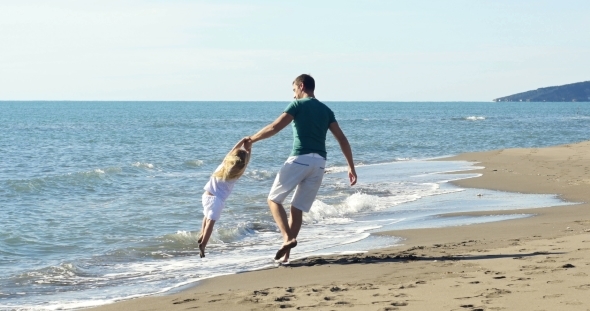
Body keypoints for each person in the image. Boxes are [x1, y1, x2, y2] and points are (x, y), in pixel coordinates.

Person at [247, 74, 357, 263]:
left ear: (302, 86)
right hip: (319, 164)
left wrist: (251, 140)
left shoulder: (297, 105)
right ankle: (287, 256)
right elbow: (342, 139)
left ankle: (287, 238)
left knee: (273, 200)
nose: (293, 95)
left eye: (294, 90)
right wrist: (351, 167)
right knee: (296, 208)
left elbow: (275, 127)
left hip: (300, 159)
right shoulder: (326, 110)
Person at [198, 138, 251, 258]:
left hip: (206, 196)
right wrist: (249, 148)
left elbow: (232, 151)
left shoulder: (222, 166)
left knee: (206, 217)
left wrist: (242, 141)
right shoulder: (236, 175)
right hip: (217, 200)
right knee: (211, 223)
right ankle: (203, 245)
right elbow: (246, 162)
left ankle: (202, 235)